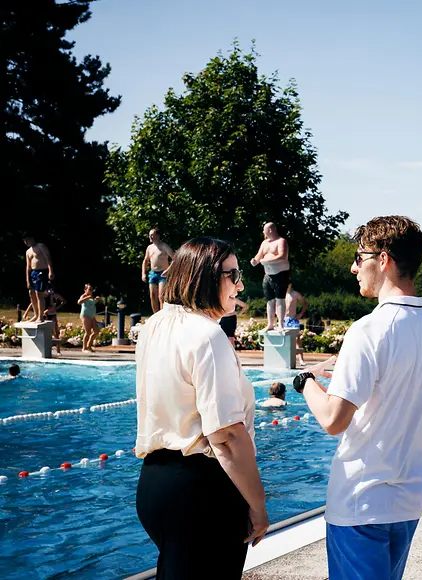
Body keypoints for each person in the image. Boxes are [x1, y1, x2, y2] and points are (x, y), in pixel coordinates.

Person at [293, 216, 422, 580]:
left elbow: (333, 420)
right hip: (410, 498)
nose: (354, 267)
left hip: (361, 499)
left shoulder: (369, 330)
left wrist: (306, 383)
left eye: (358, 257)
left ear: (383, 260)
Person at [135, 236, 266, 579]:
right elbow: (226, 435)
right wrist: (258, 503)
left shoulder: (154, 326)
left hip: (155, 484)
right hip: (202, 492)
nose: (240, 285)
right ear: (205, 276)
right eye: (233, 275)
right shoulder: (207, 335)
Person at [250, 222, 290, 331]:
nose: (263, 232)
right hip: (268, 275)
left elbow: (283, 256)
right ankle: (270, 324)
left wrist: (267, 261)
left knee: (280, 299)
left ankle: (281, 324)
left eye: (264, 230)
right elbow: (259, 255)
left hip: (280, 274)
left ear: (270, 230)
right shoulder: (264, 243)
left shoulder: (281, 241)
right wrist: (255, 260)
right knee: (270, 300)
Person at [141, 228, 175, 314]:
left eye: (152, 235)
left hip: (163, 273)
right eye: (150, 235)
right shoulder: (149, 248)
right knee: (152, 295)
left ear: (158, 236)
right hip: (153, 273)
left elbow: (175, 258)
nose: (151, 237)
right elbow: (145, 261)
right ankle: (155, 315)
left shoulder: (164, 246)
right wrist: (143, 273)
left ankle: (162, 315)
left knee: (161, 296)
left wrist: (168, 270)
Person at [23, 233, 54, 322]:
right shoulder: (28, 251)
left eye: (27, 240)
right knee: (31, 293)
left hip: (42, 271)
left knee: (39, 293)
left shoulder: (41, 246)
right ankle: (36, 314)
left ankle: (40, 316)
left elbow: (48, 258)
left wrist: (50, 271)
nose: (26, 242)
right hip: (33, 273)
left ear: (32, 238)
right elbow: (28, 267)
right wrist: (27, 280)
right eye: (25, 241)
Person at [284, 288, 309, 365]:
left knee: (297, 339)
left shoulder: (295, 294)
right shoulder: (281, 294)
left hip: (293, 319)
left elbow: (305, 303)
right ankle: (285, 358)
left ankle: (301, 359)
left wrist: (300, 314)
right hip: (284, 319)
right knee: (284, 339)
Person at [77, 284, 100, 353]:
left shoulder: (91, 297)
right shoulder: (84, 296)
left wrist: (96, 300)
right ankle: (84, 348)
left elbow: (92, 303)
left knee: (96, 331)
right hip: (85, 315)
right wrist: (87, 297)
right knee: (88, 332)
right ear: (85, 290)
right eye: (89, 289)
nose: (91, 291)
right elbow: (79, 302)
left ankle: (89, 346)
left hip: (92, 316)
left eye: (91, 289)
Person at [43, 288, 66, 355]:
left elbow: (63, 301)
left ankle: (58, 351)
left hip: (52, 314)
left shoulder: (55, 295)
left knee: (55, 332)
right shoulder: (44, 295)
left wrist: (56, 308)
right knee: (46, 332)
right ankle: (46, 349)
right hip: (45, 315)